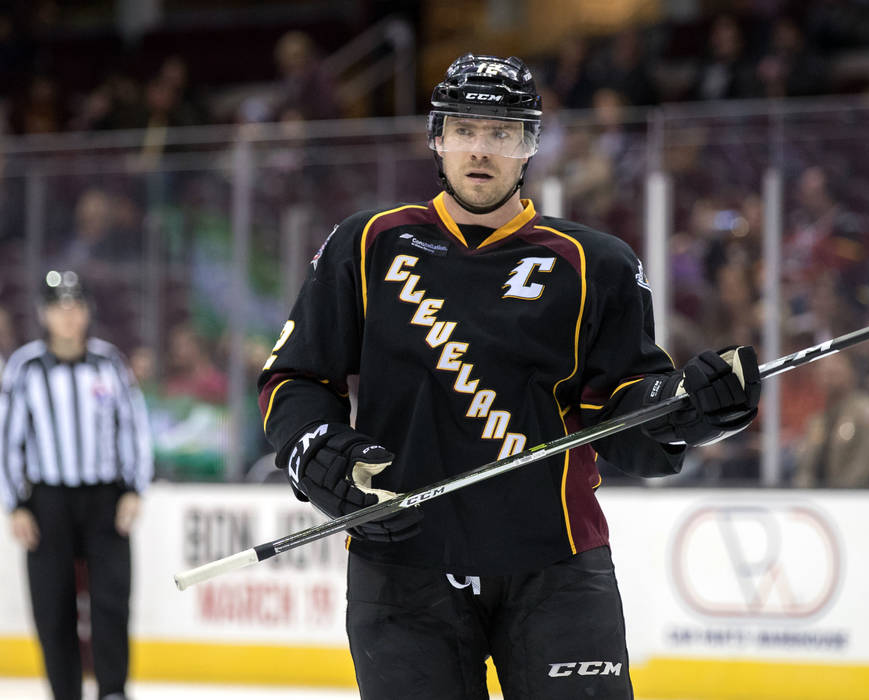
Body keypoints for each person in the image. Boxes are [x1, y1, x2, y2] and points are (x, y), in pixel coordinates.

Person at [258, 54, 761, 700]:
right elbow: (294, 377)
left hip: (555, 567)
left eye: (502, 133)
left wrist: (687, 407)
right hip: (402, 568)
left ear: (530, 147)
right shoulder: (369, 244)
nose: (480, 149)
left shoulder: (594, 263)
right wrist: (315, 450)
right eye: (464, 129)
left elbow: (625, 410)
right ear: (437, 138)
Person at [0, 271, 152, 700]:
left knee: (111, 601)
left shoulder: (109, 363)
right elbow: (8, 439)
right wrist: (15, 505)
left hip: (105, 497)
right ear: (43, 314)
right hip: (47, 500)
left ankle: (113, 691)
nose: (68, 316)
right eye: (59, 307)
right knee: (52, 606)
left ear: (87, 311)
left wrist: (134, 489)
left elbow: (134, 428)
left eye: (76, 306)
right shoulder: (26, 367)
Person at [792, 352, 869, 488]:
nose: (828, 375)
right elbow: (805, 468)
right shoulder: (817, 420)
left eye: (835, 369)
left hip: (857, 495)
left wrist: (841, 492)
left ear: (852, 371)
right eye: (823, 369)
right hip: (818, 496)